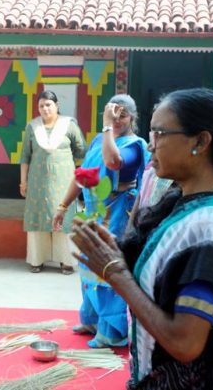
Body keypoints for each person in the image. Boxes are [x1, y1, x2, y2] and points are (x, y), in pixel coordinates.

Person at [71, 88, 213, 389]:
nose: (151, 145)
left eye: (159, 133)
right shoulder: (183, 202)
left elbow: (185, 343)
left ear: (201, 142)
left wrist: (115, 273)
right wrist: (111, 249)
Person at [54, 94, 148, 348]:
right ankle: (92, 321)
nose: (117, 120)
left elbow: (112, 162)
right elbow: (82, 175)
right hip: (93, 213)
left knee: (108, 268)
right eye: (112, 115)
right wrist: (63, 206)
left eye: (122, 116)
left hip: (117, 216)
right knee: (88, 264)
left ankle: (113, 331)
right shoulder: (99, 140)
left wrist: (107, 125)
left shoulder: (135, 145)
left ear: (132, 118)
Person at [19, 90, 85, 274]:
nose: (45, 108)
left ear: (57, 106)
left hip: (64, 182)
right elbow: (25, 157)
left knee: (64, 218)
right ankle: (37, 260)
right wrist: (23, 182)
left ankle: (67, 261)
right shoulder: (32, 127)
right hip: (37, 183)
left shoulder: (69, 125)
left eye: (48, 104)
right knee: (38, 219)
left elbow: (81, 149)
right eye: (41, 106)